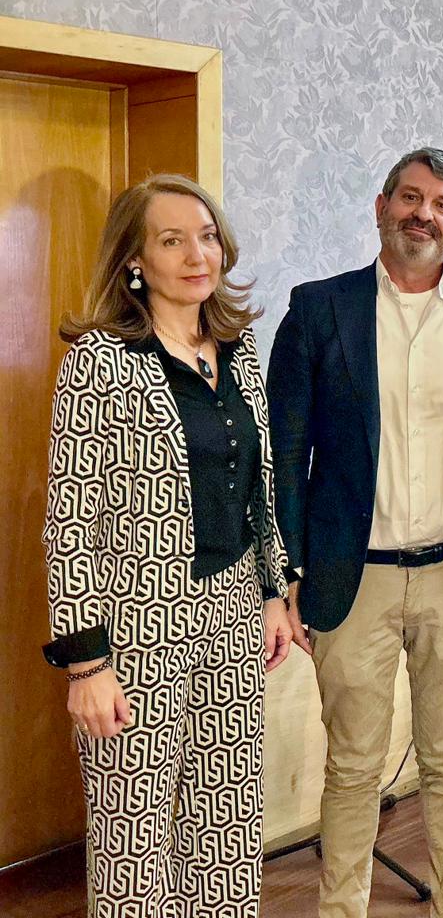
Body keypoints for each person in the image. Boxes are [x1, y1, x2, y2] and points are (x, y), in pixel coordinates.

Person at [267, 148, 443, 918]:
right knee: (352, 767)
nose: (424, 214)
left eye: (442, 205)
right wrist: (287, 574)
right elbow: (285, 455)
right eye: (411, 198)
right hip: (352, 576)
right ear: (381, 207)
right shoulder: (320, 309)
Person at [42, 174, 293, 917]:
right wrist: (86, 664)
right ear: (135, 259)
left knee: (227, 828)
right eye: (172, 240)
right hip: (135, 628)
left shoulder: (238, 350)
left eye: (207, 237)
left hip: (235, 614)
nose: (196, 255)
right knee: (134, 842)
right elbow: (70, 521)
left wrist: (273, 594)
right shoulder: (100, 360)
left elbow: (260, 486)